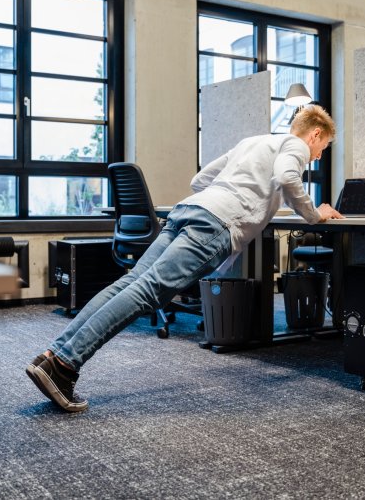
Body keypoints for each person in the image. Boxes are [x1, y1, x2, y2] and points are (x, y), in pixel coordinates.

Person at [26, 105, 343, 412]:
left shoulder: (255, 142)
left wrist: (246, 201)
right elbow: (288, 179)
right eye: (323, 148)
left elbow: (200, 180)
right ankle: (65, 365)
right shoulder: (296, 146)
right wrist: (315, 215)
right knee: (147, 291)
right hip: (216, 224)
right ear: (316, 134)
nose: (318, 156)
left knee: (130, 282)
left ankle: (54, 355)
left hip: (191, 209)